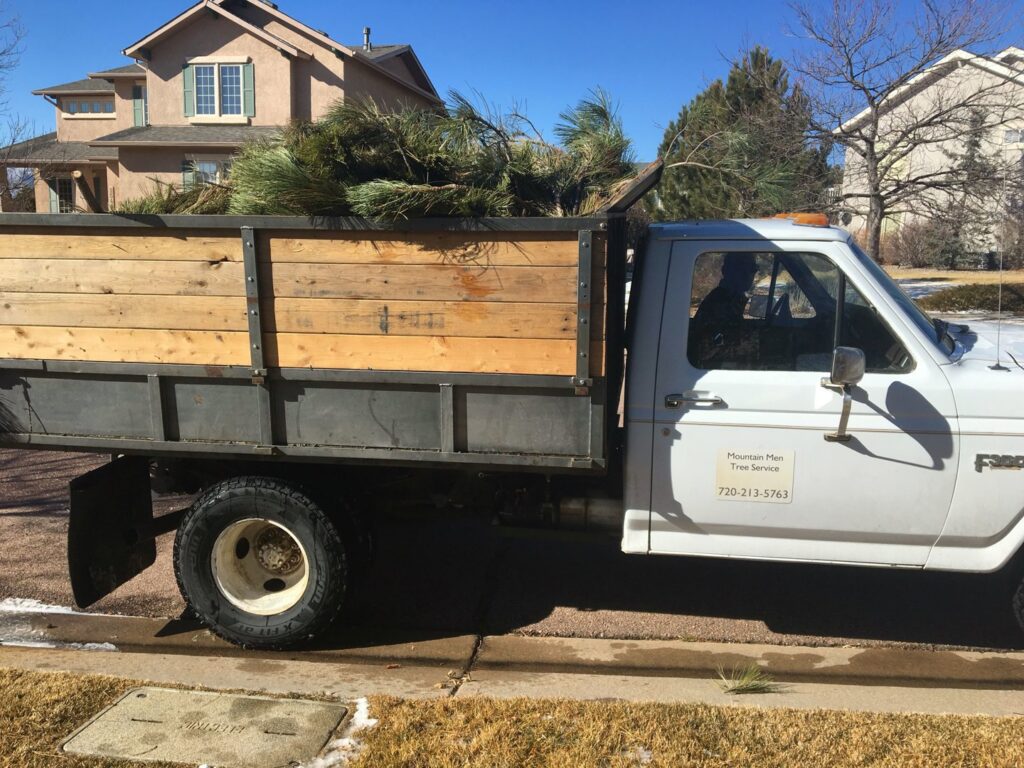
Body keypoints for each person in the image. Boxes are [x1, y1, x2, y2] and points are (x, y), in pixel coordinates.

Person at [690, 253, 760, 368]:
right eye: (741, 269)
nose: (748, 274)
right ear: (725, 271)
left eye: (752, 269)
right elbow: (704, 351)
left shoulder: (733, 299)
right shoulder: (720, 302)